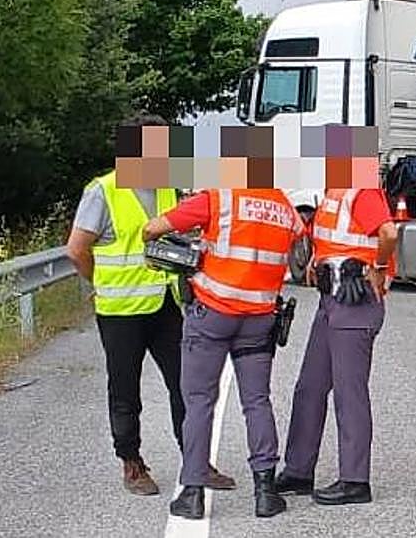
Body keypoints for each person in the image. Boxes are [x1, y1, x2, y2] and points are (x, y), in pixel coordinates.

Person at [65, 115, 235, 497]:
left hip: (164, 306)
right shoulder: (103, 190)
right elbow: (76, 249)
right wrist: (100, 282)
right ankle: (132, 463)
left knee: (186, 386)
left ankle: (196, 462)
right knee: (125, 391)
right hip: (120, 312)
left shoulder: (165, 190)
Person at [143, 186, 305, 520]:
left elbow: (153, 229)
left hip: (212, 316)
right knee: (257, 401)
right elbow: (300, 244)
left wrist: (195, 243)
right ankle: (265, 493)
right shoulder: (283, 205)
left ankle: (192, 493)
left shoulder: (218, 198)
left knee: (200, 402)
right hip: (259, 317)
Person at [275, 187, 398, 505]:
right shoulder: (333, 193)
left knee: (349, 393)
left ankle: (355, 481)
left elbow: (388, 233)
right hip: (331, 300)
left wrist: (379, 268)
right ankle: (299, 471)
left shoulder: (362, 191)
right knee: (310, 388)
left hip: (354, 302)